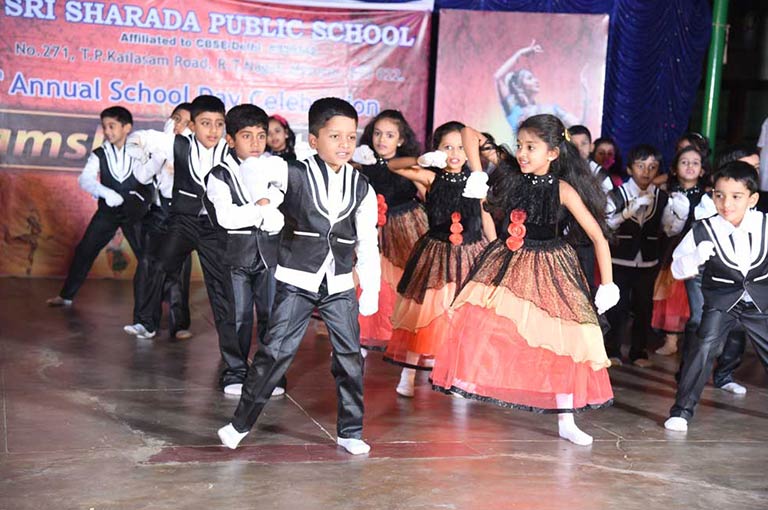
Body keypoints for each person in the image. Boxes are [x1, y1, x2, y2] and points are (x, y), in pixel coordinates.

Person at [431, 114, 619, 446]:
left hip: (550, 267)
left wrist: (608, 283)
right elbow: (469, 131)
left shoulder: (563, 190)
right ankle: (469, 380)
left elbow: (598, 236)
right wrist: (478, 171)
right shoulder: (509, 172)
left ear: (553, 153)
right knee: (482, 320)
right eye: (520, 145)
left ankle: (566, 418)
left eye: (531, 147)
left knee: (565, 343)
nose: (521, 153)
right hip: (509, 260)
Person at [217, 98, 380, 455]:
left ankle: (350, 431)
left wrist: (371, 288)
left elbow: (368, 240)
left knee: (350, 357)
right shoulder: (292, 172)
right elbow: (255, 173)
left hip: (339, 283)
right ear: (313, 139)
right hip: (297, 281)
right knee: (275, 353)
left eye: (350, 137)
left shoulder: (361, 185)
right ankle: (239, 424)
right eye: (334, 136)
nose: (344, 144)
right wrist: (264, 204)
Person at [127, 95, 241, 392]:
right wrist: (136, 148)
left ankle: (235, 367)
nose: (213, 130)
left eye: (218, 124)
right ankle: (147, 323)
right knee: (157, 265)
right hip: (183, 222)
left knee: (222, 291)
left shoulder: (229, 149)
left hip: (214, 227)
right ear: (193, 126)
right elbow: (142, 138)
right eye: (205, 123)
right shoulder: (178, 144)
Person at [383, 121, 491, 397]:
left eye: (460, 147)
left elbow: (486, 218)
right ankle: (408, 374)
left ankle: (459, 377)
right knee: (426, 314)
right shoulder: (431, 178)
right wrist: (422, 160)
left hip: (470, 254)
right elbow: (393, 165)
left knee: (463, 317)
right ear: (437, 150)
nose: (454, 153)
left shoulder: (477, 180)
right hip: (436, 254)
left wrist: (494, 251)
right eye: (447, 147)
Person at [665, 161, 768, 432]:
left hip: (760, 303)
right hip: (722, 302)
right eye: (719, 195)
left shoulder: (765, 225)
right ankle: (681, 411)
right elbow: (676, 269)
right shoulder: (703, 229)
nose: (726, 204)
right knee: (703, 349)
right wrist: (695, 258)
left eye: (736, 196)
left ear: (752, 199)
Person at [204, 104, 286, 397]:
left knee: (271, 315)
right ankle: (235, 371)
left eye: (261, 136)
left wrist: (259, 209)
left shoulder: (275, 169)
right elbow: (227, 218)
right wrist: (262, 209)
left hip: (270, 255)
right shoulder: (219, 175)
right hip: (234, 257)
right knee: (237, 316)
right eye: (246, 136)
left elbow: (281, 204)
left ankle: (269, 374)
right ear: (230, 140)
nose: (255, 143)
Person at [47, 106, 152, 311]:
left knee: (148, 256)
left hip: (135, 213)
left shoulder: (142, 152)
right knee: (85, 250)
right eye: (104, 127)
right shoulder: (100, 153)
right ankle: (66, 296)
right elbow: (85, 179)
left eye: (112, 126)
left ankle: (162, 299)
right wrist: (106, 193)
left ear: (127, 127)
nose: (107, 131)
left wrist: (145, 202)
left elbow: (152, 179)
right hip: (108, 212)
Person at [351, 109, 428, 351]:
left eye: (389, 135)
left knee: (399, 283)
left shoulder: (409, 166)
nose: (382, 139)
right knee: (369, 281)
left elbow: (429, 194)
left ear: (401, 140)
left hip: (405, 227)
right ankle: (362, 338)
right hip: (370, 229)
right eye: (378, 133)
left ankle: (400, 340)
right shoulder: (363, 164)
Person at [125, 103, 194, 340]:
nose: (179, 125)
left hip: (182, 215)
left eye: (187, 123)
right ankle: (144, 322)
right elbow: (142, 176)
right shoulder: (157, 143)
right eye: (176, 118)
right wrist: (159, 155)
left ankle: (179, 324)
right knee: (147, 264)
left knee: (177, 269)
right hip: (157, 213)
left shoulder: (195, 150)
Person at [604, 145, 668, 367]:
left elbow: (668, 228)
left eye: (652, 167)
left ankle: (638, 352)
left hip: (648, 259)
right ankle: (612, 350)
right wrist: (626, 213)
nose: (646, 172)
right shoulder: (616, 194)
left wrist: (679, 215)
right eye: (641, 166)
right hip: (619, 258)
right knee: (617, 307)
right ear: (630, 169)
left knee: (643, 307)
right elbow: (606, 225)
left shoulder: (662, 197)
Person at [653, 146, 709, 356]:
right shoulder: (666, 194)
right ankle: (671, 340)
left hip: (694, 254)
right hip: (670, 249)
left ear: (702, 170)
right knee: (671, 295)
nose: (690, 166)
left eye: (695, 163)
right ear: (675, 168)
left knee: (690, 298)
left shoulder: (707, 197)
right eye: (684, 162)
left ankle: (694, 346)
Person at [495, 39, 586, 138]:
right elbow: (498, 77)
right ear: (518, 86)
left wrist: (585, 94)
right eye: (529, 78)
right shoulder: (513, 110)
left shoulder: (551, 110)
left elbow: (578, 126)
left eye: (534, 78)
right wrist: (520, 53)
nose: (536, 80)